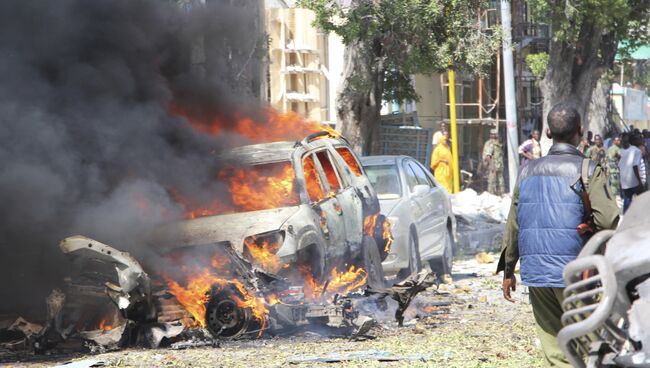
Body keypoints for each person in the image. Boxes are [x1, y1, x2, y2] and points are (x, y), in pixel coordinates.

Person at [497, 102, 619, 367]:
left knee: (555, 353)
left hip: (538, 274)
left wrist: (508, 271)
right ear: (581, 130)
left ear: (548, 133)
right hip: (579, 274)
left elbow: (514, 225)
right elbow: (609, 221)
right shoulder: (589, 169)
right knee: (587, 348)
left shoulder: (526, 171)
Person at [619, 132, 646, 212]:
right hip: (634, 182)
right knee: (641, 201)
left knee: (627, 203)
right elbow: (635, 166)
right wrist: (640, 182)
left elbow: (620, 167)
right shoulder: (636, 151)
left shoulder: (623, 151)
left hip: (626, 183)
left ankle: (627, 220)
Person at [482, 129, 505, 195]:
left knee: (500, 182)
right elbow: (487, 156)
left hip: (499, 166)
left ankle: (501, 193)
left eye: (495, 134)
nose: (494, 135)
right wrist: (491, 166)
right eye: (492, 134)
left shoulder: (498, 143)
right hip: (493, 166)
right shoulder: (490, 143)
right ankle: (492, 195)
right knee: (492, 182)